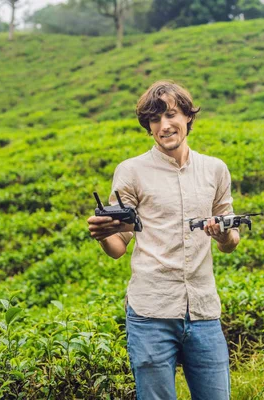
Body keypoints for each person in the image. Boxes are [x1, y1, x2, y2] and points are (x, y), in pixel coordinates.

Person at [87, 80, 240, 400]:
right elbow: (118, 247)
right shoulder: (131, 172)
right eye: (155, 119)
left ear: (188, 116)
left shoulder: (215, 170)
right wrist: (103, 236)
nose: (164, 125)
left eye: (171, 115)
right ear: (148, 127)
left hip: (204, 312)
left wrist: (223, 233)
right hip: (150, 314)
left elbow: (230, 241)